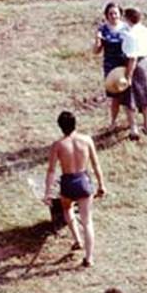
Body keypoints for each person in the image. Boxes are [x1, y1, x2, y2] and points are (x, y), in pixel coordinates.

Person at [44, 110, 106, 268]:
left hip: (68, 183)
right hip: (83, 181)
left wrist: (48, 192)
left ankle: (77, 240)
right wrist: (101, 184)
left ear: (60, 127)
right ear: (75, 123)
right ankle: (89, 257)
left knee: (67, 208)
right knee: (87, 221)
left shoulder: (58, 145)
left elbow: (51, 170)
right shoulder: (86, 140)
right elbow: (95, 164)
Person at [122, 7, 147, 140]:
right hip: (146, 63)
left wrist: (129, 76)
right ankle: (146, 125)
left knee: (130, 98)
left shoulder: (130, 35)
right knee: (146, 97)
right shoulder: (144, 30)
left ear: (127, 18)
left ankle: (133, 129)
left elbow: (132, 58)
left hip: (135, 65)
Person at [93, 2, 128, 130]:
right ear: (106, 15)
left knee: (128, 94)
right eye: (111, 14)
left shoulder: (127, 28)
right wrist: (97, 40)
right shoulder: (103, 29)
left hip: (126, 64)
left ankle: (131, 122)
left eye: (116, 13)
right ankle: (113, 122)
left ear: (120, 14)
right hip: (111, 66)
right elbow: (96, 51)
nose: (113, 16)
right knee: (115, 96)